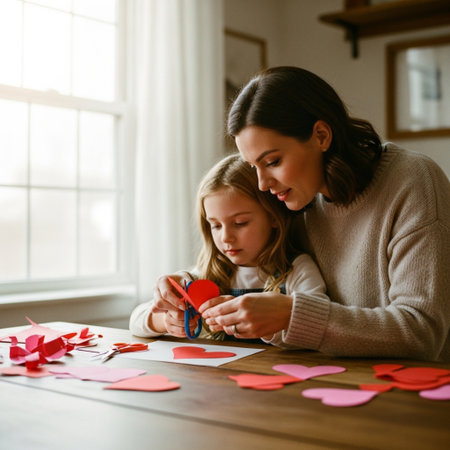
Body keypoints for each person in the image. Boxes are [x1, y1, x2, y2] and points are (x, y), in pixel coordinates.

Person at [156, 66, 450, 361]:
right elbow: (250, 261)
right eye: (253, 167)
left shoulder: (412, 180)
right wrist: (185, 282)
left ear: (321, 135)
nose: (262, 183)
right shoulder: (294, 198)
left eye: (272, 161)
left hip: (414, 393)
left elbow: (421, 332)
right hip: (328, 380)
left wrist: (291, 315)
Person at [130, 153, 327, 341]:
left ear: (274, 217)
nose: (226, 237)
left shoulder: (297, 271)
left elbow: (319, 326)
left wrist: (273, 322)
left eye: (240, 223)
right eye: (215, 225)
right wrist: (165, 321)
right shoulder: (205, 276)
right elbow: (135, 320)